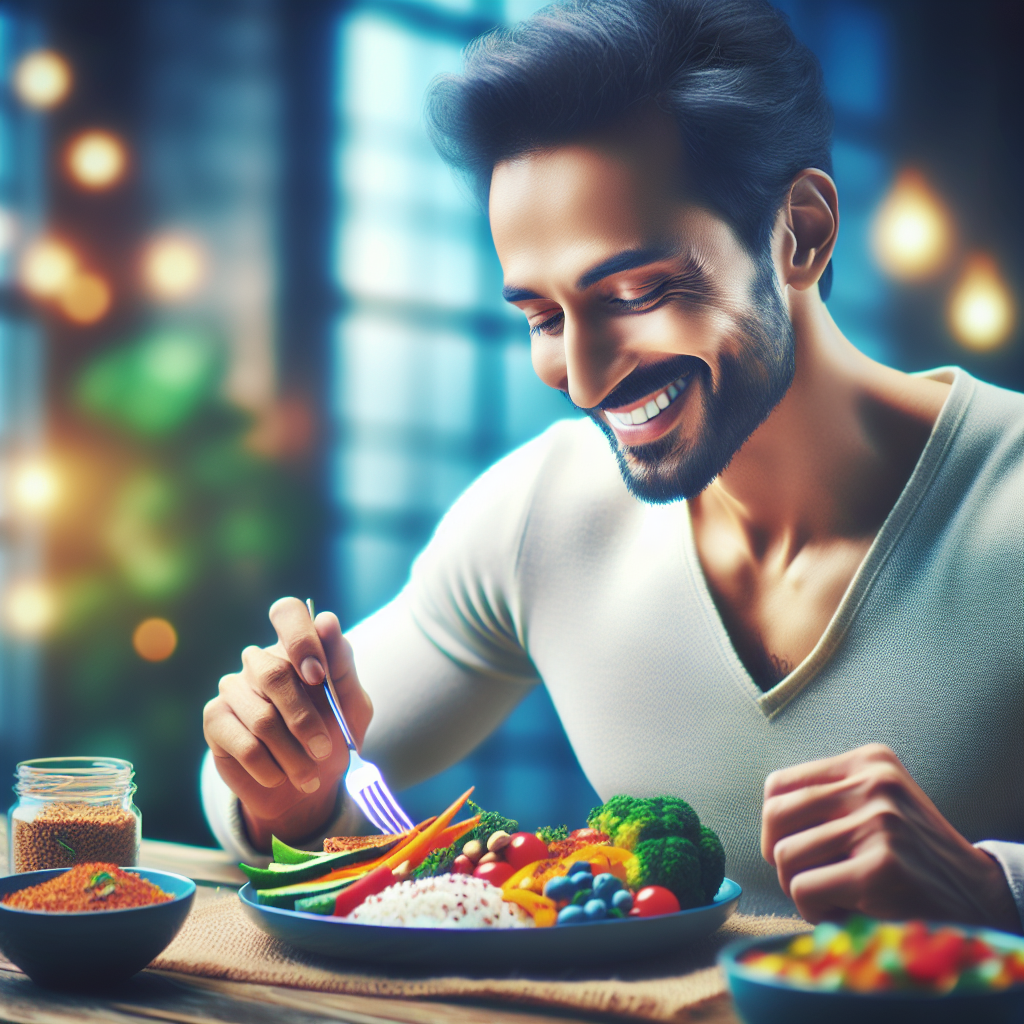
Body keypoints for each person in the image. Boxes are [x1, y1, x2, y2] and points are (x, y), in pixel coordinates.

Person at [201, 0, 1023, 927]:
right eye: (542, 319)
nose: (582, 377)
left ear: (800, 231)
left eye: (637, 292)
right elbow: (251, 787)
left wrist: (997, 891)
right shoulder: (542, 515)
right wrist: (284, 780)